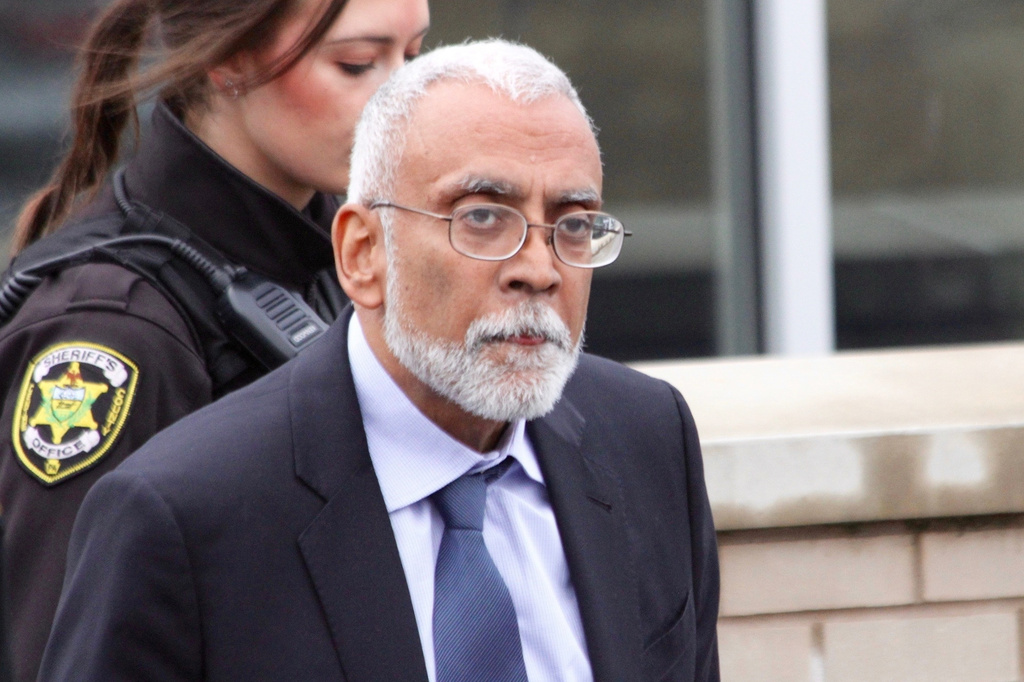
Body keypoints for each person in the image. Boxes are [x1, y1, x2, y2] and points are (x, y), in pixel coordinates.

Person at [41, 39, 720, 681]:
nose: (539, 269)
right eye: (483, 216)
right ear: (363, 253)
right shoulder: (186, 515)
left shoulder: (646, 438)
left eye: (572, 224)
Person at [0, 0, 429, 679]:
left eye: (413, 56)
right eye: (356, 63)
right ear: (227, 59)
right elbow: (65, 650)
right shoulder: (115, 333)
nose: (405, 104)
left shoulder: (333, 261)